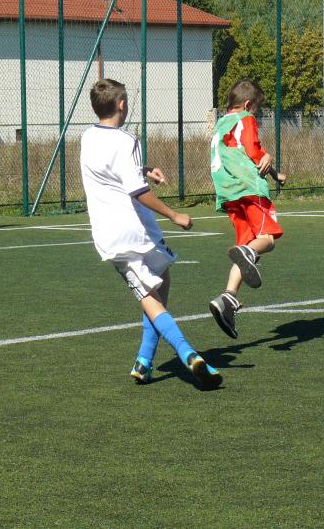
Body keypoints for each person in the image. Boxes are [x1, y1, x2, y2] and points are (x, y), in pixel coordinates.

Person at [79, 78, 222, 389]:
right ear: (122, 104)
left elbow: (113, 171)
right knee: (150, 296)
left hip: (113, 233)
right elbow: (137, 192)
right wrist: (174, 215)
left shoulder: (87, 137)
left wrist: (143, 169)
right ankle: (188, 354)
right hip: (132, 231)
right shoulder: (127, 140)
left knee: (159, 282)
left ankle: (144, 360)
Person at [208, 80, 285, 339]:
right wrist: (268, 159)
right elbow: (253, 150)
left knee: (248, 249)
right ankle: (247, 252)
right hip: (249, 188)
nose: (257, 115)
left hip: (228, 192)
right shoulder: (246, 119)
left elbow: (240, 150)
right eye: (257, 110)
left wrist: (275, 173)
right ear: (248, 104)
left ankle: (227, 299)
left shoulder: (221, 124)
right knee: (267, 240)